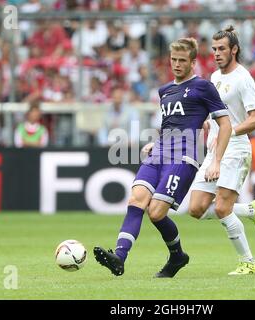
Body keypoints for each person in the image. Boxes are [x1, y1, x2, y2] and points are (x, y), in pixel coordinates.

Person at [93, 38, 232, 278]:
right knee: (136, 200)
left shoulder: (203, 87)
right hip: (159, 153)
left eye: (182, 60)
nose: (176, 65)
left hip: (183, 158)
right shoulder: (164, 91)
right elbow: (171, 124)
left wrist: (216, 160)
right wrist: (156, 142)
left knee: (156, 213)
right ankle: (119, 257)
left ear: (192, 62)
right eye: (173, 60)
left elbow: (226, 124)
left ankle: (177, 255)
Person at [188, 26, 255, 275]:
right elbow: (215, 112)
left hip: (235, 148)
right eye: (214, 49)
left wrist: (230, 131)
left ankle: (248, 261)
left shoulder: (243, 78)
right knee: (196, 209)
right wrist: (206, 122)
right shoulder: (214, 78)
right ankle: (250, 210)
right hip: (215, 149)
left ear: (234, 49)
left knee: (223, 208)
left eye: (221, 48)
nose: (216, 53)